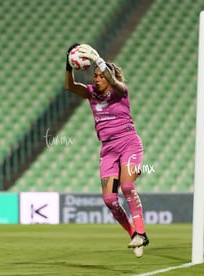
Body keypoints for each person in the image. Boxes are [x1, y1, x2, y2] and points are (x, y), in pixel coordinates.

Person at [64, 43, 149, 257]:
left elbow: (114, 82)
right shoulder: (91, 93)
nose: (96, 78)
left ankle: (142, 233)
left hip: (128, 142)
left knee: (128, 186)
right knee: (110, 200)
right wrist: (68, 65)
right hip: (108, 149)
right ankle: (133, 235)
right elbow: (70, 86)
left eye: (100, 75)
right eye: (94, 75)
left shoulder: (121, 91)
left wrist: (98, 59)